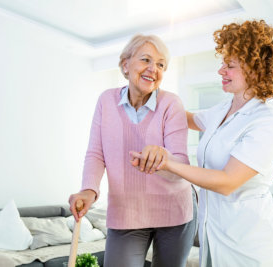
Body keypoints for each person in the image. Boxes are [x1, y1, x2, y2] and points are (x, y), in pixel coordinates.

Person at [130, 20, 273, 267]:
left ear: (256, 70)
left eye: (230, 66)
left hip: (252, 248)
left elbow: (227, 182)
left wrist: (168, 163)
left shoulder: (267, 122)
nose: (221, 71)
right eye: (222, 64)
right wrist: (153, 90)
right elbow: (190, 119)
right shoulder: (225, 108)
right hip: (214, 238)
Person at [68, 34, 197, 267]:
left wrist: (164, 159)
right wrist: (89, 190)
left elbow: (181, 165)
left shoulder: (170, 103)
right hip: (126, 212)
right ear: (126, 64)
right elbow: (96, 153)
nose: (153, 69)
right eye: (146, 60)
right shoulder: (106, 101)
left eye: (160, 65)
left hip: (175, 209)